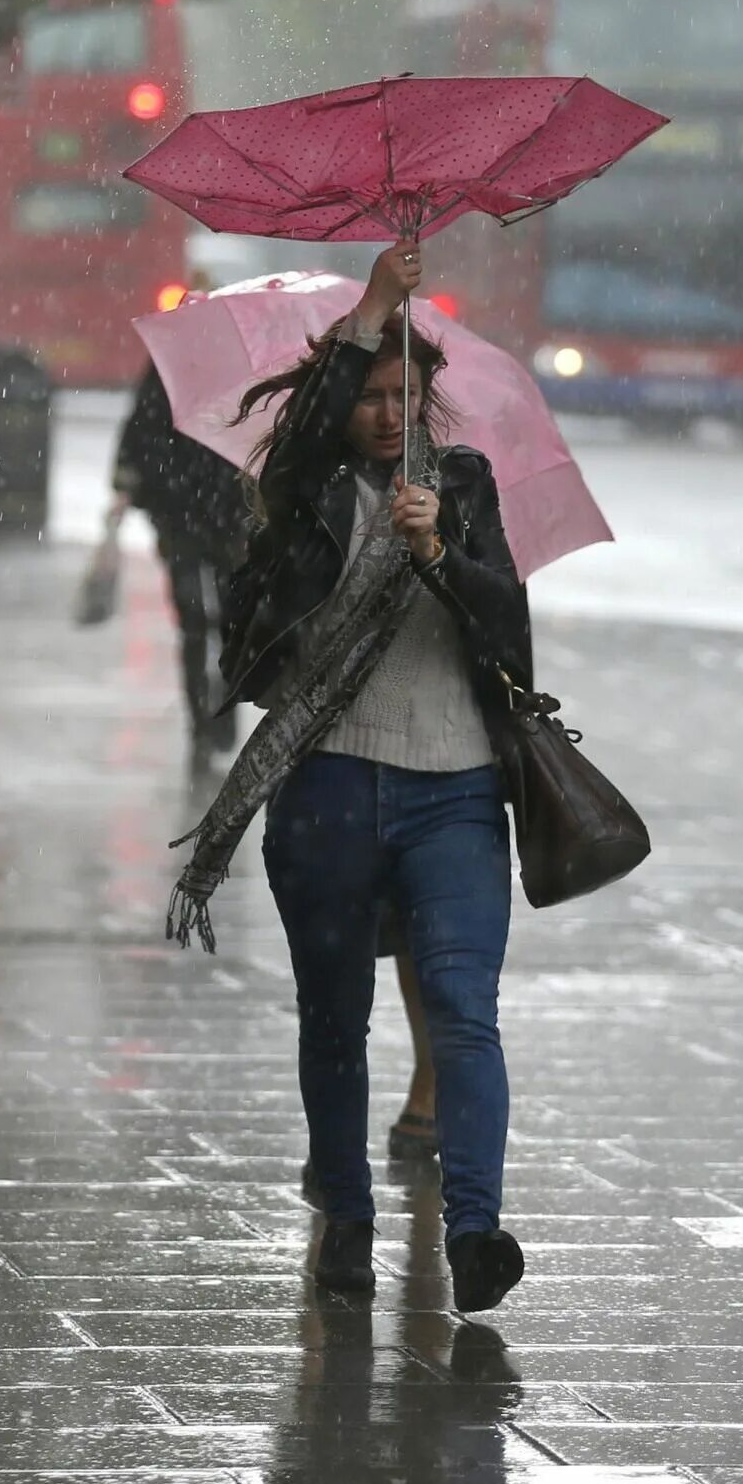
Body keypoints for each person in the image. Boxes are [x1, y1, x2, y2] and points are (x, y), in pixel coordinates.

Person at [169, 241, 532, 1314]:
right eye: (365, 394)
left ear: (426, 400)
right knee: (335, 1017)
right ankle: (346, 1217)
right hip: (328, 787)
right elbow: (285, 550)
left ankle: (475, 1232)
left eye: (399, 394)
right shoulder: (305, 491)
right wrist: (372, 308)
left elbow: (510, 626)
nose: (383, 412)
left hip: (456, 791)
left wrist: (441, 559)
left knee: (464, 1011)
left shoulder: (461, 486)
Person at [111, 352, 253, 768]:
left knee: (229, 620)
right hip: (183, 516)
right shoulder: (166, 368)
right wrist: (133, 482)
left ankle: (223, 707)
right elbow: (140, 431)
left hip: (227, 517)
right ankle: (200, 726)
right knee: (193, 619)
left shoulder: (240, 372)